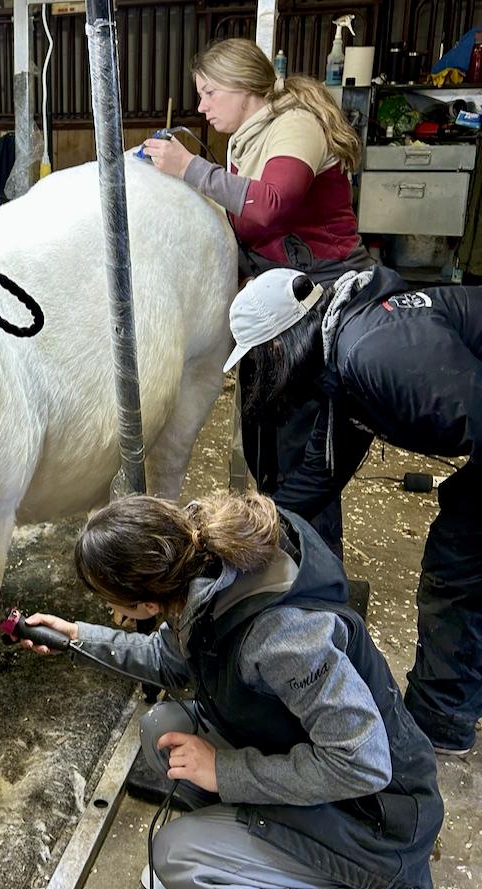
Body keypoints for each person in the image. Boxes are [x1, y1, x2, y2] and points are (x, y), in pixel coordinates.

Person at [19, 491, 447, 889]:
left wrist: (224, 771)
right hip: (316, 771)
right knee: (163, 730)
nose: (111, 613)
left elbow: (362, 763)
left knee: (177, 858)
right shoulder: (201, 552)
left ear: (149, 603)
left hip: (374, 816)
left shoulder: (282, 636)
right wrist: (79, 638)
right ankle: (253, 842)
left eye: (111, 605)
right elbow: (170, 657)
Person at [225, 264, 482, 757]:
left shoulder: (375, 353)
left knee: (459, 562)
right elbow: (324, 472)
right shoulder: (344, 349)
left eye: (258, 362)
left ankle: (440, 721)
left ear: (277, 347)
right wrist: (247, 530)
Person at [142, 38, 374, 559]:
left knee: (300, 451)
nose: (201, 107)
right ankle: (286, 562)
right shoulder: (249, 136)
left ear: (244, 88)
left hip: (323, 301)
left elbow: (269, 207)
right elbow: (247, 225)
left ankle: (313, 577)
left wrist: (189, 169)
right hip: (282, 304)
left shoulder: (296, 125)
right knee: (266, 443)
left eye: (209, 93)